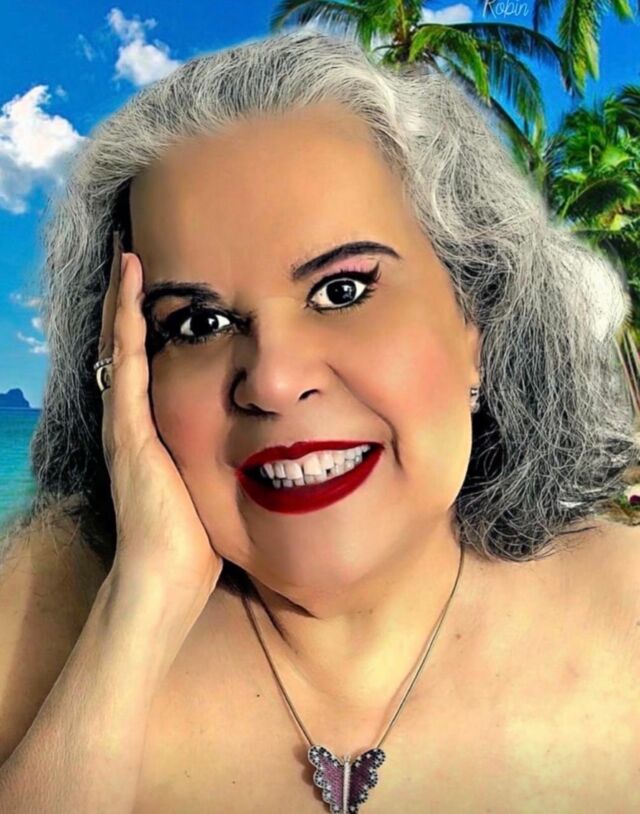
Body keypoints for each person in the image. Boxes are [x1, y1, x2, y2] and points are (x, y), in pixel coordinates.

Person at [0, 28, 639, 813]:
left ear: (475, 318)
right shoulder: (34, 625)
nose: (272, 380)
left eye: (342, 291)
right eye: (197, 324)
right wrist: (140, 608)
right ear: (126, 373)